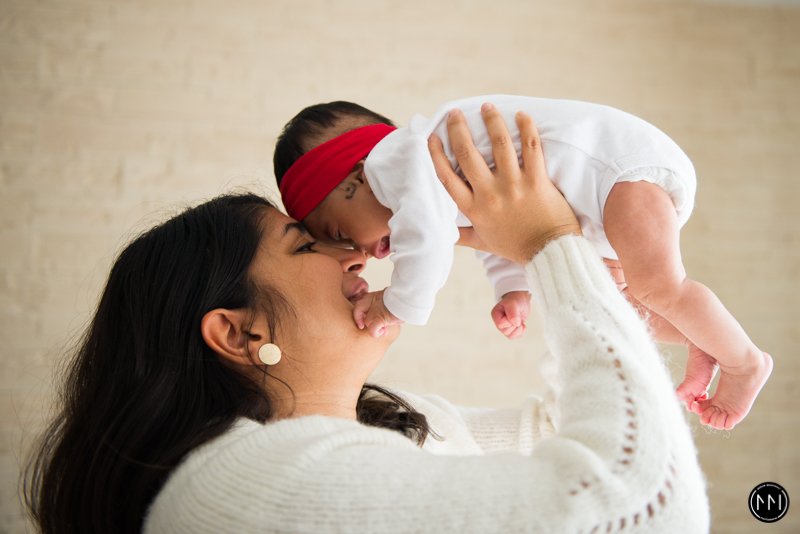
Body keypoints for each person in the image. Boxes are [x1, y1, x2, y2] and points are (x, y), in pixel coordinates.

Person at [25, 110, 710, 533]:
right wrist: (550, 245)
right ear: (240, 333)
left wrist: (574, 268)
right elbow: (641, 507)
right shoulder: (243, 486)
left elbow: (570, 432)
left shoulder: (410, 422)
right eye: (308, 246)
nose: (355, 256)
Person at [272, 95, 772, 430]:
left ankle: (745, 362)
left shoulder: (398, 162)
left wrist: (395, 304)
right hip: (591, 205)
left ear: (358, 174)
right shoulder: (426, 184)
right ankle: (705, 336)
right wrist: (513, 287)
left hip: (616, 172)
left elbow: (428, 241)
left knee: (659, 287)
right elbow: (493, 232)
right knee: (623, 300)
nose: (359, 256)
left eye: (340, 233)